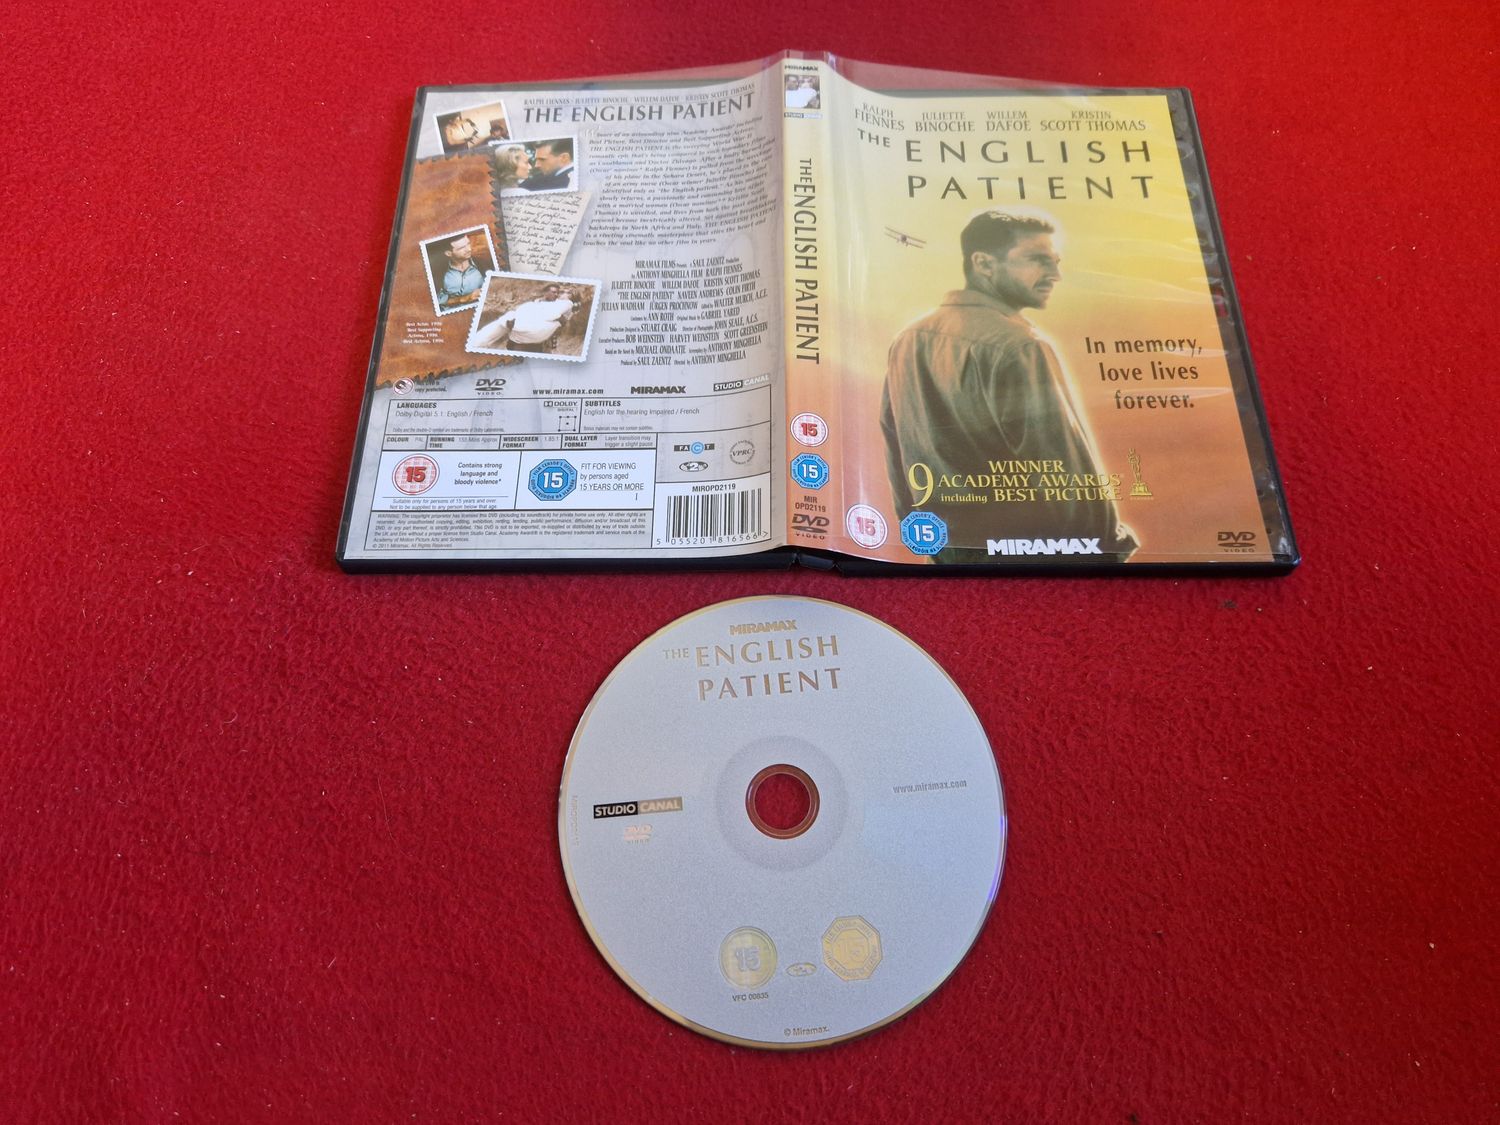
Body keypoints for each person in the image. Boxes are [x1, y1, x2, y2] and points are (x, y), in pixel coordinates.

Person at [880, 211, 1136, 563]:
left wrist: (929, 544)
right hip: (1028, 565)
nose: (1055, 274)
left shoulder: (909, 339)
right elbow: (1070, 486)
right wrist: (1106, 552)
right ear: (984, 264)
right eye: (1038, 260)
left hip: (945, 558)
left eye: (1056, 261)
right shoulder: (1020, 346)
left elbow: (896, 451)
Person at [474, 284, 578, 352]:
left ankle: (476, 344)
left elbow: (552, 316)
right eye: (561, 292)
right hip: (518, 341)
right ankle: (475, 344)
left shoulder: (565, 305)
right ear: (545, 292)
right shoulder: (539, 302)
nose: (560, 294)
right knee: (501, 323)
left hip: (534, 343)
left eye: (567, 293)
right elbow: (526, 311)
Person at [437, 233, 485, 308]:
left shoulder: (484, 263)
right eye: (461, 248)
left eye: (468, 244)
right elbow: (436, 301)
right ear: (448, 253)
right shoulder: (438, 274)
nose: (469, 249)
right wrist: (463, 299)